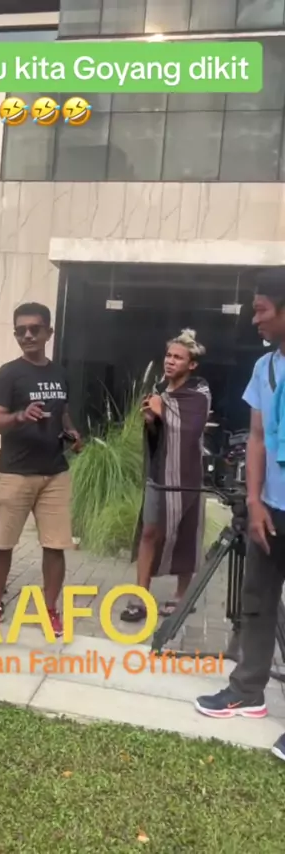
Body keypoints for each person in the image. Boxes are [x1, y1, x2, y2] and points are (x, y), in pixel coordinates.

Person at [196, 273, 285, 763]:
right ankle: (247, 691)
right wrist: (254, 501)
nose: (254, 319)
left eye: (261, 309)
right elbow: (256, 437)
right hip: (270, 509)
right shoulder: (265, 367)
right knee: (257, 602)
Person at [0, 302, 82, 638]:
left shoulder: (60, 373)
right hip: (15, 472)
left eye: (35, 329)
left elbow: (62, 412)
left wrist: (72, 432)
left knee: (55, 545)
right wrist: (21, 415)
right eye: (21, 330)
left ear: (49, 332)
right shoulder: (8, 374)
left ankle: (50, 611)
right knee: (3, 544)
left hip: (55, 473)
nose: (28, 335)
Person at [120, 329, 211, 623]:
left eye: (178, 357)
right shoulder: (159, 390)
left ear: (192, 364)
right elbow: (158, 432)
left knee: (186, 532)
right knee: (149, 532)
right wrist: (151, 420)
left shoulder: (199, 392)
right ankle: (140, 596)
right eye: (168, 355)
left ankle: (182, 595)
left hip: (186, 477)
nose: (170, 361)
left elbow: (192, 429)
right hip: (158, 474)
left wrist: (163, 412)